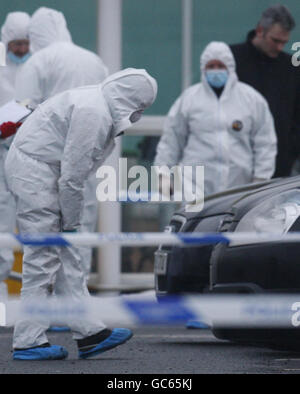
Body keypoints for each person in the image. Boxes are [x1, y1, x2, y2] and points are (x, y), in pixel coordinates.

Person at [5, 68, 158, 360]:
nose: (137, 115)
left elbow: (73, 174)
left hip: (40, 172)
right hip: (35, 174)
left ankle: (89, 332)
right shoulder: (94, 112)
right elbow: (73, 177)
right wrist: (71, 223)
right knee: (44, 255)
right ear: (130, 100)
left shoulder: (97, 104)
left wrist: (69, 225)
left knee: (66, 256)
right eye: (140, 108)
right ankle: (28, 341)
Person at [15, 7, 109, 282]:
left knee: (45, 234)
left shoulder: (39, 62)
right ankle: (77, 307)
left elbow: (21, 112)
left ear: (35, 36)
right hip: (86, 161)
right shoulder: (94, 61)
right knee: (80, 230)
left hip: (44, 164)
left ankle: (49, 307)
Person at [154, 42, 277, 200]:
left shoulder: (251, 99)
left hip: (239, 189)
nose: (216, 71)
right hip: (193, 188)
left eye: (220, 65)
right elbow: (171, 140)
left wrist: (261, 179)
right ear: (203, 68)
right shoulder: (189, 99)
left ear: (230, 68)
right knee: (196, 224)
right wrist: (163, 175)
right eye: (211, 66)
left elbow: (265, 143)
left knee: (233, 224)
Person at [230, 4, 300, 178]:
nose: (279, 47)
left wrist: (292, 150)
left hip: (280, 164)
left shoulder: (291, 67)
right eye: (275, 40)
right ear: (260, 31)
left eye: (284, 42)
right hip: (236, 162)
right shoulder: (231, 60)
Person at [0, 12, 31, 299]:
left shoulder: (38, 69)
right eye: (16, 44)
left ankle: (44, 301)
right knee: (1, 228)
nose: (21, 49)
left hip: (32, 161)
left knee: (39, 227)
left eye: (25, 43)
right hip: (2, 162)